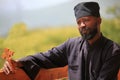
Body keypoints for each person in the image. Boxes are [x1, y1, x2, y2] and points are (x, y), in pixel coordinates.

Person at [2, 1, 120, 80]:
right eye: (79, 22)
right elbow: (45, 57)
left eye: (86, 20)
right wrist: (18, 62)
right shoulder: (72, 45)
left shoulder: (113, 50)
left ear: (99, 20)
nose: (82, 25)